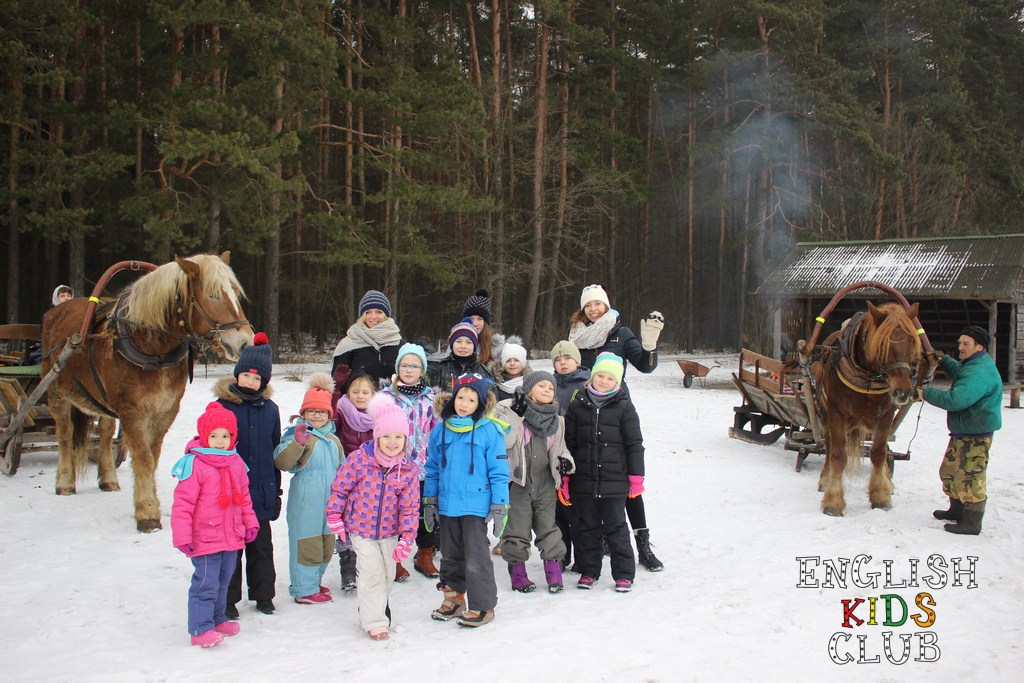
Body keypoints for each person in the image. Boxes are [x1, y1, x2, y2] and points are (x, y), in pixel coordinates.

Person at [567, 284, 665, 571]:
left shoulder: (621, 334)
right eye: (589, 305)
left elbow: (646, 367)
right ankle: (598, 543)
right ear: (583, 310)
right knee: (590, 484)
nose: (594, 309)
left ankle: (643, 545)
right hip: (585, 414)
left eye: (598, 304)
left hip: (617, 415)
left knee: (626, 484)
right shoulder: (575, 336)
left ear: (607, 306)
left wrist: (649, 347)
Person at [325, 394, 420, 640]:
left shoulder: (408, 469)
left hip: (390, 532)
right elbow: (340, 488)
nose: (392, 442)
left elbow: (410, 507)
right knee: (371, 574)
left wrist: (407, 538)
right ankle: (375, 621)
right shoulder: (360, 460)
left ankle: (374, 606)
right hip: (361, 530)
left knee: (388, 574)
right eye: (386, 436)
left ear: (406, 439)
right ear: (377, 436)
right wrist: (335, 514)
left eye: (398, 437)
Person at [424, 372, 509, 627]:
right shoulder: (440, 431)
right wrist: (430, 500)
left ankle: (483, 606)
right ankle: (453, 598)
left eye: (471, 400)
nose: (464, 403)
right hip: (449, 505)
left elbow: (499, 471)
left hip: (476, 505)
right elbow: (432, 469)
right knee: (450, 555)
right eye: (461, 397)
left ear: (481, 404)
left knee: (476, 556)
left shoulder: (490, 431)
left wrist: (500, 504)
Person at [171, 402, 259, 647]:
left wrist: (249, 523)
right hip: (205, 538)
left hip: (231, 536)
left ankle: (218, 618)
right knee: (206, 583)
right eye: (214, 436)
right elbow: (183, 504)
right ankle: (200, 628)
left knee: (224, 581)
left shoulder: (235, 462)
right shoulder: (194, 464)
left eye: (225, 436)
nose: (220, 441)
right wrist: (182, 536)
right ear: (204, 436)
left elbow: (244, 498)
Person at [563, 353, 644, 593]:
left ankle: (624, 574)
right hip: (584, 480)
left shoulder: (624, 406)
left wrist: (636, 478)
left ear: (617, 382)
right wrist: (566, 477)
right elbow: (568, 444)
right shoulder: (578, 406)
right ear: (592, 376)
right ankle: (589, 570)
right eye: (600, 375)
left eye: (610, 378)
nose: (604, 381)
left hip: (614, 481)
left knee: (616, 527)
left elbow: (634, 444)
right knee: (586, 527)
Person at [215, 332, 282, 618]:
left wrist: (276, 491)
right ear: (237, 375)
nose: (251, 382)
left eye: (257, 379)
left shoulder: (271, 409)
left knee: (261, 547)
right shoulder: (221, 406)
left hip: (261, 492)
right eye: (247, 376)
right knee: (231, 550)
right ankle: (229, 599)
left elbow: (275, 451)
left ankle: (264, 595)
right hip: (229, 494)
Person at [493, 371, 574, 594]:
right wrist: (517, 415)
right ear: (529, 390)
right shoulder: (509, 408)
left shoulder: (557, 420)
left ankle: (554, 572)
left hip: (545, 482)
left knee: (548, 527)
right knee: (517, 529)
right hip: (518, 483)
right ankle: (518, 574)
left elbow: (561, 449)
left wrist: (566, 461)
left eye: (551, 387)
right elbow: (504, 442)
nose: (547, 390)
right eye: (542, 386)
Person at [920, 326, 1003, 535]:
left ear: (979, 346)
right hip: (964, 431)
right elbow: (959, 371)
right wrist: (943, 359)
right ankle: (957, 510)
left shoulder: (980, 371)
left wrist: (924, 393)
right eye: (959, 343)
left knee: (970, 476)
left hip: (976, 435)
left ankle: (973, 523)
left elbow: (957, 400)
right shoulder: (973, 364)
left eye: (966, 343)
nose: (961, 347)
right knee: (949, 472)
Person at [274, 372, 344, 604]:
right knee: (307, 544)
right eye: (312, 411)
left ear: (328, 415)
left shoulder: (333, 440)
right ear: (303, 413)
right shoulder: (297, 435)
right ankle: (304, 589)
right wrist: (297, 442)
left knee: (326, 544)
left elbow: (343, 471)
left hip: (330, 502)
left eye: (322, 411)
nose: (317, 415)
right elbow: (283, 462)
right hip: (307, 501)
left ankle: (314, 582)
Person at [381, 343, 439, 579]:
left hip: (425, 468)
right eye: (404, 365)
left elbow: (437, 432)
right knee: (395, 515)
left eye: (414, 365)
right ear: (397, 367)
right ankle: (394, 560)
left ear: (422, 369)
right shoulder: (386, 397)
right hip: (395, 468)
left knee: (427, 515)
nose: (409, 369)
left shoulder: (431, 398)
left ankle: (424, 555)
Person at [332, 371, 378, 584]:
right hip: (347, 474)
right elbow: (329, 420)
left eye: (365, 392)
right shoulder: (342, 412)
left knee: (367, 519)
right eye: (355, 391)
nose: (360, 396)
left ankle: (367, 565)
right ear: (348, 393)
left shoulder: (379, 414)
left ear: (373, 394)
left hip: (372, 476)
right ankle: (348, 566)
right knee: (347, 518)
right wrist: (334, 392)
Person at [549, 340, 590, 569]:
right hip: (553, 454)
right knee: (558, 511)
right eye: (558, 360)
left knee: (578, 510)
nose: (563, 363)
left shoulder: (585, 384)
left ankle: (583, 557)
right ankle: (562, 553)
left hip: (577, 453)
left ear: (577, 361)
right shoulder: (549, 384)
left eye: (567, 359)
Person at [330, 289, 403, 400]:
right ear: (362, 315)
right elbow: (337, 385)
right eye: (368, 312)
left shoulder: (398, 343)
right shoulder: (348, 344)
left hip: (393, 408)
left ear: (386, 315)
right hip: (357, 409)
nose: (373, 317)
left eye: (379, 312)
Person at [427, 318, 493, 393]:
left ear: (474, 346)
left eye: (468, 342)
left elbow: (492, 400)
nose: (463, 346)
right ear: (452, 344)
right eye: (458, 341)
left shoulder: (483, 372)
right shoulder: (439, 369)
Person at [462, 289, 509, 377]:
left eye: (480, 319)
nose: (475, 323)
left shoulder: (497, 347)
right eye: (472, 318)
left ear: (485, 322)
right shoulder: (456, 343)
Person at [494, 338, 530, 402]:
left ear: (523, 363)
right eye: (508, 361)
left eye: (516, 360)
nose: (512, 364)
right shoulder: (496, 384)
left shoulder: (531, 383)